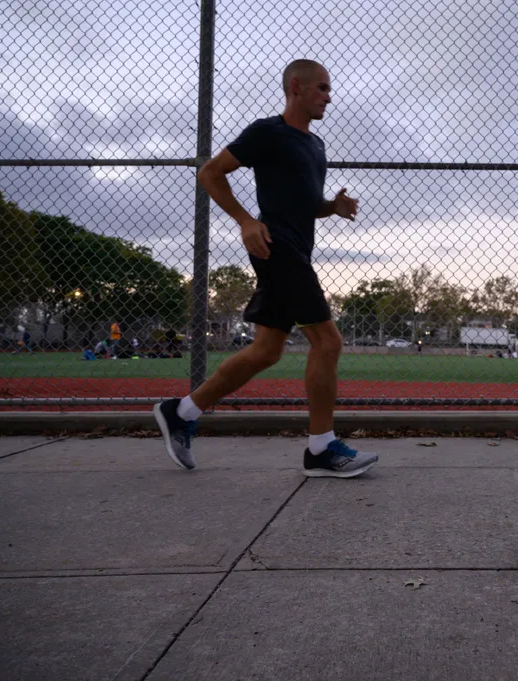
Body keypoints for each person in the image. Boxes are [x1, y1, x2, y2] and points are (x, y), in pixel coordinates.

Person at [153, 59, 378, 478]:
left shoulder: (316, 145)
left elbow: (306, 203)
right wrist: (245, 221)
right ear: (296, 86)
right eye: (322, 88)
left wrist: (332, 206)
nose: (330, 96)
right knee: (328, 342)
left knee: (266, 350)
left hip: (297, 249)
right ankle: (321, 449)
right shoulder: (266, 132)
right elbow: (211, 172)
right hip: (275, 246)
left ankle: (180, 411)